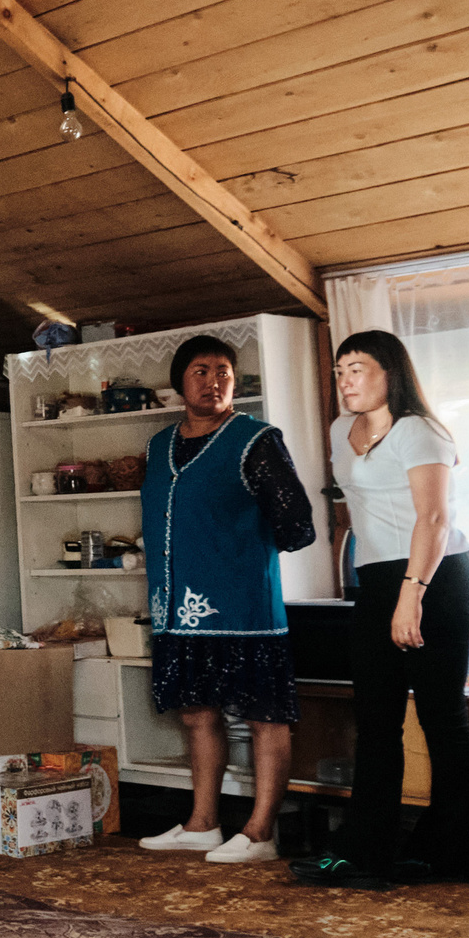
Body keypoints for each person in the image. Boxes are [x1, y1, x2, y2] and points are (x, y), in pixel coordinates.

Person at [293, 330, 469, 889]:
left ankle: (444, 855)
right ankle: (365, 852)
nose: (345, 381)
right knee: (375, 721)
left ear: (389, 374)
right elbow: (357, 509)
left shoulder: (419, 431)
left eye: (357, 369)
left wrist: (411, 596)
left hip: (437, 580)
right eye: (340, 371)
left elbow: (434, 520)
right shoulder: (338, 430)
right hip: (378, 581)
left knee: (441, 719)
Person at [133, 335, 317, 865]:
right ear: (179, 382)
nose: (213, 381)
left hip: (243, 609)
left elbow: (297, 523)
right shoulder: (157, 445)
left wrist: (239, 550)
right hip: (177, 608)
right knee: (196, 713)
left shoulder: (256, 440)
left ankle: (260, 833)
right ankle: (202, 824)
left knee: (265, 716)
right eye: (200, 370)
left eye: (223, 372)